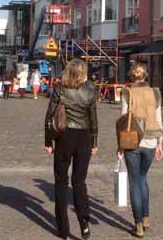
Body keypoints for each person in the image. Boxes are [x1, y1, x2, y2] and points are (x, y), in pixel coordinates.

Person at [44, 59, 98, 240]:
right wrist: (95, 142)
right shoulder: (90, 90)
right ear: (83, 73)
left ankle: (63, 228)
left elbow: (50, 117)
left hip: (64, 137)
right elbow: (93, 119)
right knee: (79, 181)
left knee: (61, 182)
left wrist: (48, 141)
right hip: (84, 138)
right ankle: (84, 222)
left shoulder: (60, 89)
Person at [118, 63, 163, 238]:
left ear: (132, 76)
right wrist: (160, 142)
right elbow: (159, 119)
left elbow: (123, 120)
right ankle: (146, 217)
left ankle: (138, 224)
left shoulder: (127, 92)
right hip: (151, 140)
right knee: (143, 178)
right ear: (145, 76)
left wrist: (120, 146)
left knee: (134, 181)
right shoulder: (155, 92)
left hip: (132, 141)